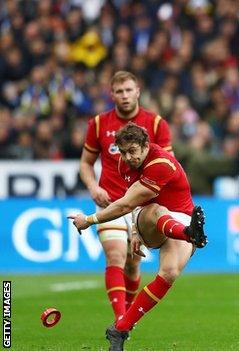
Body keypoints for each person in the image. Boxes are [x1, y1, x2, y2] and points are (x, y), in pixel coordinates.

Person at [70, 123, 207, 351]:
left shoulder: (160, 163)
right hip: (158, 220)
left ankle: (119, 329)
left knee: (169, 274)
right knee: (156, 210)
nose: (127, 157)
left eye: (132, 150)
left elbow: (127, 203)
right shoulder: (125, 164)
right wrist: (132, 229)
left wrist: (91, 220)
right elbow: (130, 203)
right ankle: (189, 233)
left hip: (180, 218)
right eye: (123, 152)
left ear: (146, 145)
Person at [80, 71, 173, 321]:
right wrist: (93, 188)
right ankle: (121, 324)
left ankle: (125, 320)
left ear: (138, 91)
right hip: (110, 202)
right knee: (115, 254)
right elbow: (86, 163)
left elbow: (168, 165)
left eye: (128, 90)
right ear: (112, 94)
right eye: (119, 91)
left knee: (133, 265)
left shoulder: (155, 124)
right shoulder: (99, 124)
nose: (124, 96)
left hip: (141, 205)